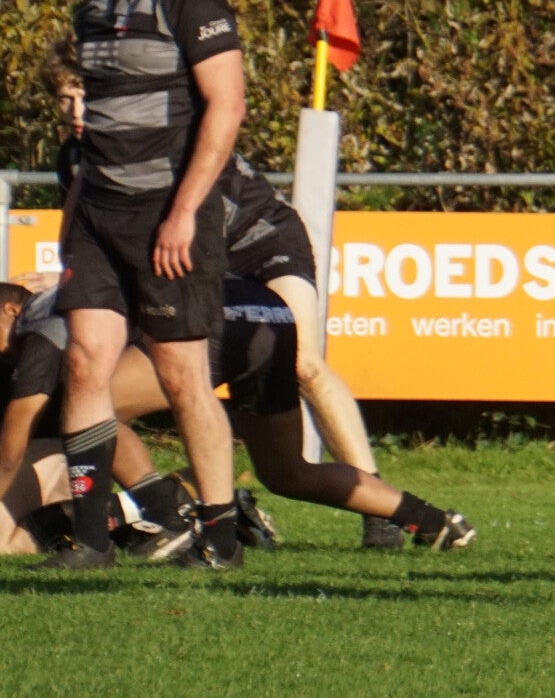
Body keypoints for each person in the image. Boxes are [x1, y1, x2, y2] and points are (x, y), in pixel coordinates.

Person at [39, 38, 405, 549]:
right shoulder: (77, 157)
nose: (77, 111)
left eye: (88, 95)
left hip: (263, 243)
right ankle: (194, 502)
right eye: (66, 98)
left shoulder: (155, 132)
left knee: (302, 362)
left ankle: (380, 512)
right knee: (161, 378)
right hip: (200, 262)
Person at [43, 0, 247, 570]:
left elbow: (228, 105)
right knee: (83, 361)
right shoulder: (92, 7)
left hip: (167, 217)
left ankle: (221, 535)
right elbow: (93, 125)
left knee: (182, 375)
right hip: (97, 217)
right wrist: (73, 216)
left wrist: (184, 212)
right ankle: (91, 541)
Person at [0, 279, 475, 559]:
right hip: (267, 311)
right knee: (288, 472)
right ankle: (435, 521)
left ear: (10, 309)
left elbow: (13, 445)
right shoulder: (67, 297)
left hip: (216, 315)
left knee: (89, 409)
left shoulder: (40, 324)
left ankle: (168, 512)